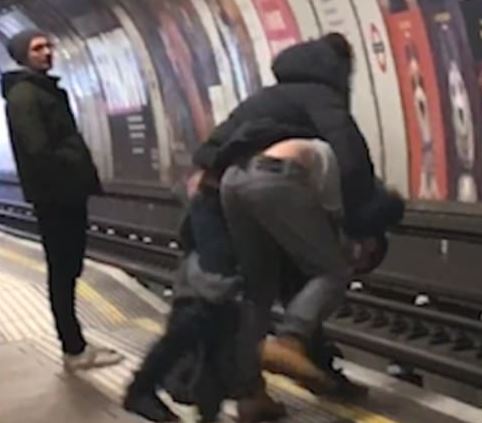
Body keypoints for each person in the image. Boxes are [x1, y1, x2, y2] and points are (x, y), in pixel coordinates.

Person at [193, 33, 404, 391]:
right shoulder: (322, 96)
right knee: (332, 272)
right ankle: (289, 341)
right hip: (275, 179)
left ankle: (250, 395)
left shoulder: (265, 97)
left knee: (260, 287)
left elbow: (209, 150)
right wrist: (364, 215)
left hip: (229, 184)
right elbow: (351, 155)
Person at [2, 29, 123, 370]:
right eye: (37, 48)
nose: (47, 52)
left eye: (48, 46)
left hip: (63, 192)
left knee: (68, 269)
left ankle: (75, 343)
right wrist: (72, 162)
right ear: (22, 55)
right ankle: (73, 349)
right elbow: (38, 148)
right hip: (56, 196)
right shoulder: (25, 95)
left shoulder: (40, 90)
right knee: (63, 270)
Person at [123, 170, 286, 423]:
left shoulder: (232, 174)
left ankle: (206, 414)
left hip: (217, 272)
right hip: (212, 274)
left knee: (216, 341)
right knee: (191, 328)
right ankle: (141, 390)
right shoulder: (216, 190)